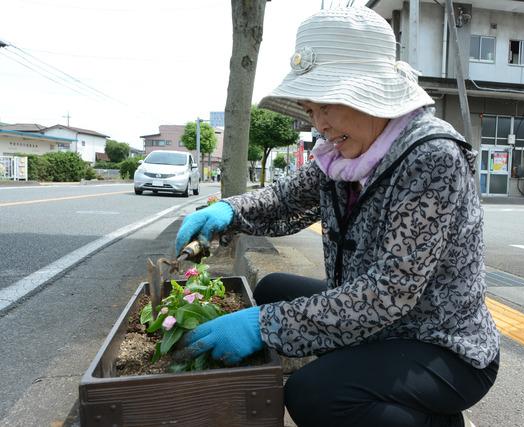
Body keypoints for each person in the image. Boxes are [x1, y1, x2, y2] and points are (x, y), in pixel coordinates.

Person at [175, 7, 499, 427]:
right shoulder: (343, 154)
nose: (320, 124)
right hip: (388, 327)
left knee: (313, 394)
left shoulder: (432, 156)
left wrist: (265, 326)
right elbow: (283, 201)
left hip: (442, 344)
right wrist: (227, 212)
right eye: (312, 109)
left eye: (327, 105)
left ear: (372, 94)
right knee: (273, 288)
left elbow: (389, 293)